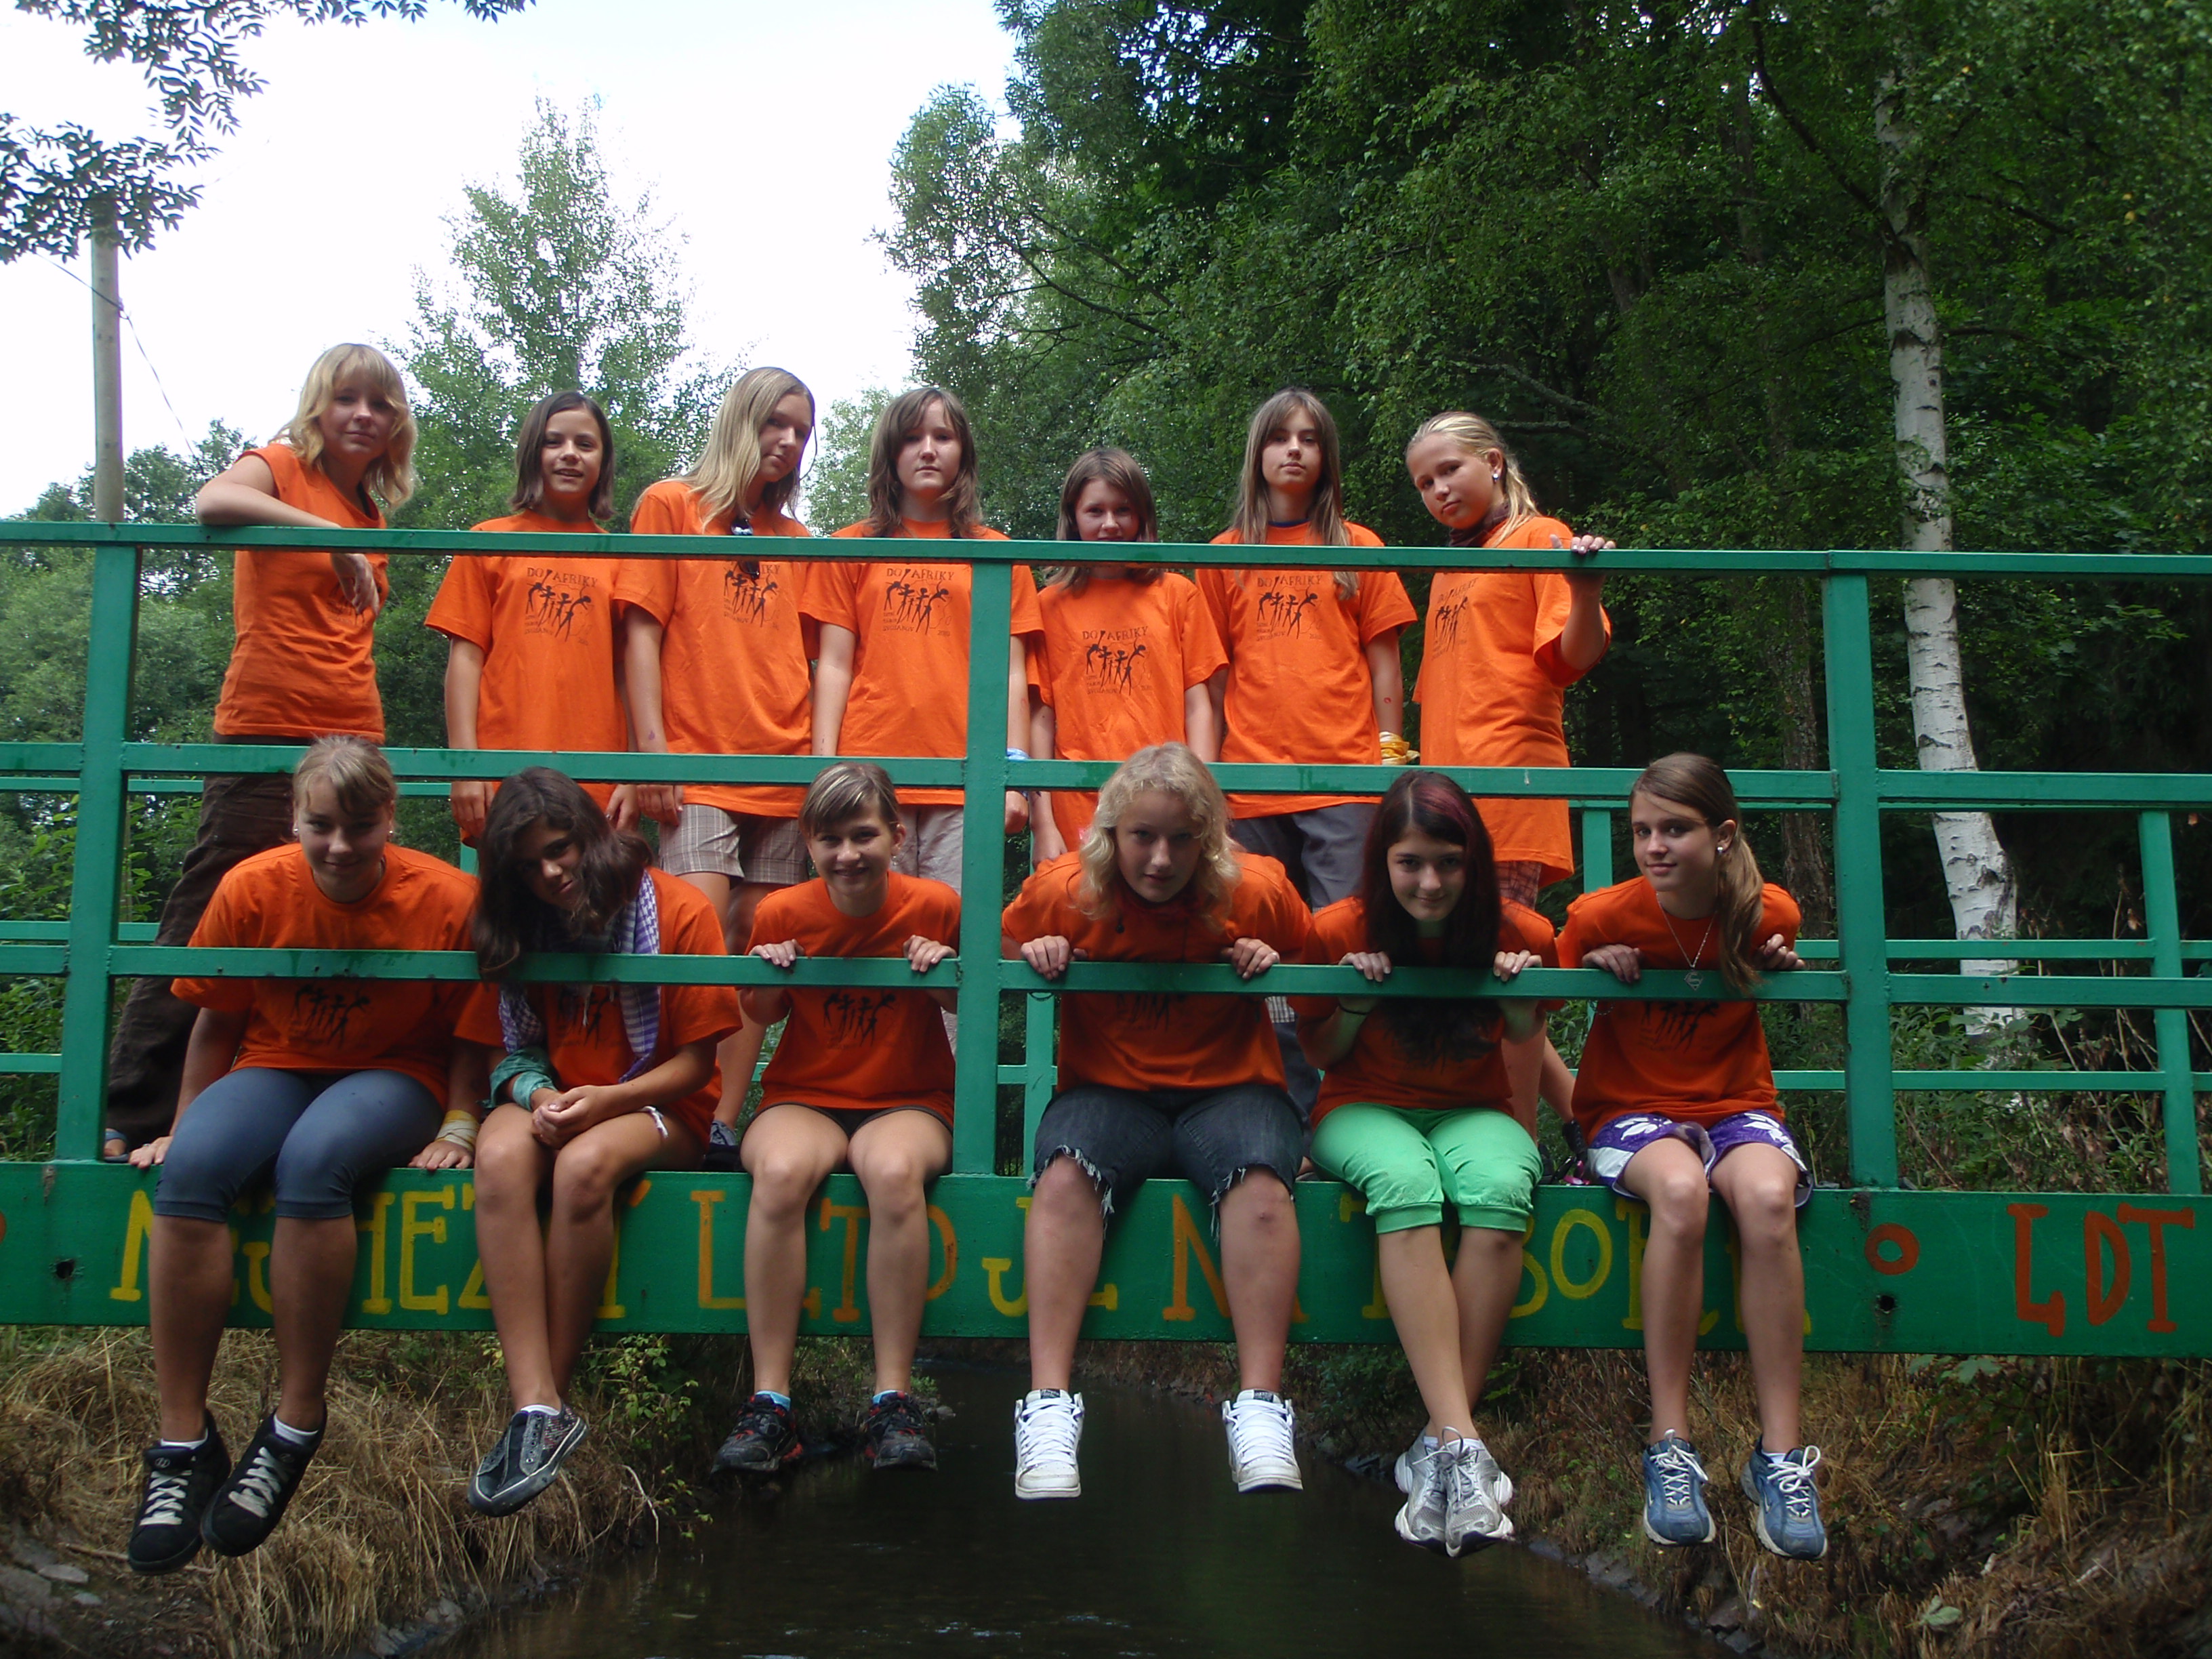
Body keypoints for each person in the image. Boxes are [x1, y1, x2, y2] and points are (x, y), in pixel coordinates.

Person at [122, 739, 480, 1573]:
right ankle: (182, 1442)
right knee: (191, 1170)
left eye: (360, 827)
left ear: (390, 819)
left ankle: (294, 1421)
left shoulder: (445, 898)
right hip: (275, 1063)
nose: (340, 846)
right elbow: (215, 1017)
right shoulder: (252, 887)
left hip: (397, 1072)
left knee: (315, 1161)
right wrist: (184, 1123)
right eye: (321, 826)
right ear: (295, 818)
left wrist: (460, 1124)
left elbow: (474, 1029)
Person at [104, 344, 415, 1155]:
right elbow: (211, 501)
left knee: (339, 909)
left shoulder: (375, 513)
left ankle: (300, 1096)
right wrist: (329, 535)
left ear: (395, 424)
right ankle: (133, 1114)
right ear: (318, 407)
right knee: (211, 913)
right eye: (346, 398)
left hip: (352, 731)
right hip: (266, 726)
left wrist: (349, 535)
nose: (363, 415)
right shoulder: (280, 467)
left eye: (379, 404)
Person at [1001, 743, 1313, 1500]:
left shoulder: (1255, 889)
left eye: (1182, 839)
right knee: (1064, 1173)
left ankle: (1261, 1406)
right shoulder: (1068, 891)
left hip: (1232, 1090)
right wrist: (1037, 949)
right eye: (1143, 837)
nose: (1162, 859)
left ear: (1209, 841)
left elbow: (1313, 955)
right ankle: (1047, 1404)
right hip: (1110, 1092)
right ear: (1112, 834)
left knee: (1262, 1185)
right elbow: (1002, 938)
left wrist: (1271, 956)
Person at [1558, 753, 1826, 1561]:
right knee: (1680, 1192)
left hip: (1738, 1106)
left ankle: (1780, 1457)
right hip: (1631, 1110)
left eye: (1675, 830)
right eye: (1643, 831)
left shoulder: (1765, 913)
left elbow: (1777, 937)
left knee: (1769, 1201)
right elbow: (1544, 993)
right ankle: (1670, 1445)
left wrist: (1773, 960)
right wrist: (1593, 969)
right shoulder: (1603, 915)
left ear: (1723, 836)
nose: (1655, 847)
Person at [460, 769, 739, 1517]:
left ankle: (550, 1400)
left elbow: (698, 1065)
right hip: (554, 1092)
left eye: (560, 849)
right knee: (499, 1156)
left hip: (657, 1103)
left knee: (583, 1167)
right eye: (528, 864)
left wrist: (605, 1102)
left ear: (592, 835)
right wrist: (537, 1096)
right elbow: (505, 1049)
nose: (550, 873)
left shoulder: (677, 909)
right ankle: (533, 1404)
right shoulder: (518, 922)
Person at [1292, 771, 1555, 1557]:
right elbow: (1319, 1052)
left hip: (1475, 1109)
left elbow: (1523, 1039)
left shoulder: (1520, 933)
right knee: (1407, 1181)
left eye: (1448, 862)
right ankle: (1465, 1445)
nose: (1430, 883)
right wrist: (1355, 1002)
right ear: (1384, 861)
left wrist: (1516, 996)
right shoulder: (1339, 929)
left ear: (1474, 862)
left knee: (1503, 1185)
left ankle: (1444, 1444)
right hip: (1361, 1107)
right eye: (1411, 863)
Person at [712, 763, 961, 1477]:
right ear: (809, 844)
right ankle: (771, 1402)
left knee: (893, 1172)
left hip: (908, 1096)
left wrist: (944, 966)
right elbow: (759, 1014)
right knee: (781, 1171)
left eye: (863, 836)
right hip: (806, 1094)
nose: (848, 854)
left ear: (896, 836)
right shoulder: (783, 911)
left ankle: (893, 1400)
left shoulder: (935, 904)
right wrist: (770, 967)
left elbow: (969, 1003)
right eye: (831, 840)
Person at [618, 368, 819, 1155]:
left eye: (801, 431)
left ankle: (721, 1124)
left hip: (785, 766)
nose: (788, 442)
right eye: (776, 423)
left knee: (759, 953)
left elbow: (814, 657)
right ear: (741, 421)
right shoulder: (671, 506)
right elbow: (641, 634)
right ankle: (677, 1110)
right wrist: (650, 753)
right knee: (696, 945)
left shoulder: (798, 543)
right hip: (696, 762)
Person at [1406, 409, 1612, 1129]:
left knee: (1505, 969)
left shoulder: (1539, 536)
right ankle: (1586, 1122)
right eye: (1424, 483)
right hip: (1448, 799)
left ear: (1493, 462)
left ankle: (1522, 1145)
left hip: (1511, 785)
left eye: (1449, 470)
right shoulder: (1451, 565)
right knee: (1482, 968)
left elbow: (1573, 657)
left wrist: (1587, 590)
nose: (1438, 490)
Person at [810, 386, 1042, 886]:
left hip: (967, 774)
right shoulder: (850, 546)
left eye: (943, 437)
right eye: (913, 438)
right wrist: (824, 772)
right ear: (891, 452)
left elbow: (1012, 673)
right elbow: (833, 665)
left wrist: (1015, 778)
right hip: (867, 777)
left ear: (964, 453)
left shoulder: (998, 552)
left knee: (953, 924)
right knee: (872, 924)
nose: (929, 450)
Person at [427, 390, 635, 840]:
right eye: (553, 441)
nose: (569, 454)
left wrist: (634, 772)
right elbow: (465, 660)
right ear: (531, 453)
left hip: (596, 779)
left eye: (585, 444)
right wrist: (466, 766)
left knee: (591, 885)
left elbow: (629, 672)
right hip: (504, 776)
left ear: (603, 461)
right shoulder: (488, 541)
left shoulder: (622, 557)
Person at [1028, 447, 1227, 860]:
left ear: (1141, 517)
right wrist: (1042, 824)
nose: (1110, 524)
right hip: (1078, 799)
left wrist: (1205, 802)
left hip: (1169, 800)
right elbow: (1041, 719)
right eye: (1095, 511)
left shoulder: (1178, 594)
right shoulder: (1049, 605)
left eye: (1123, 510)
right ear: (1073, 518)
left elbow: (1199, 707)